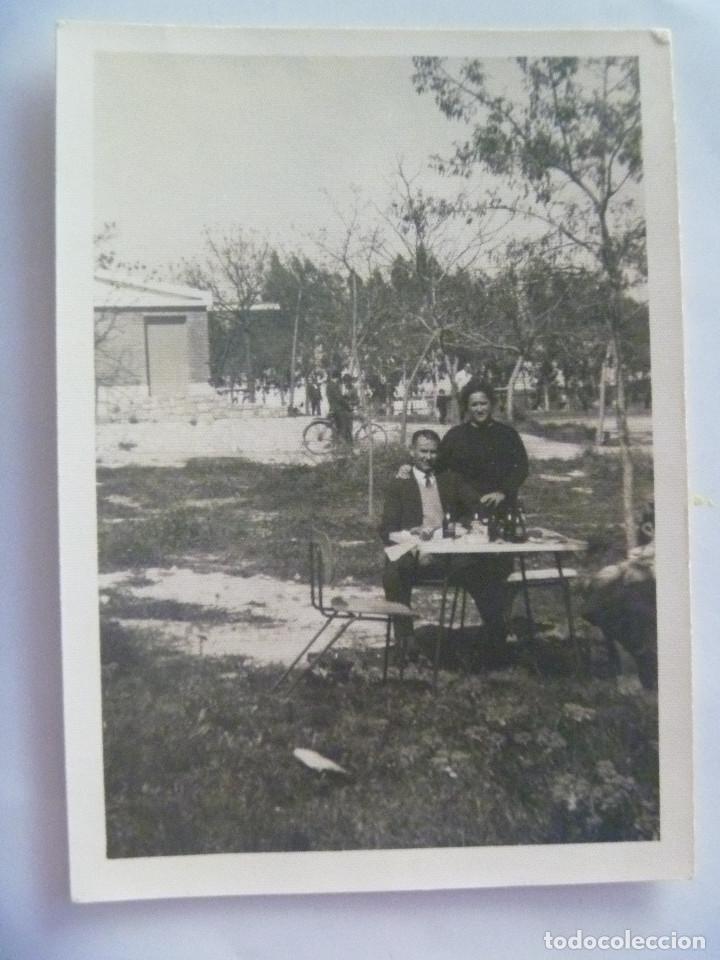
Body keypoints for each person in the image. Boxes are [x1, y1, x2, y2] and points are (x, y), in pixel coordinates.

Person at [397, 378, 529, 653]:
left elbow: (521, 469)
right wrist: (408, 471)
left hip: (499, 512)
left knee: (500, 572)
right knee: (472, 568)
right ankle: (495, 629)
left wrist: (504, 492)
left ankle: (497, 631)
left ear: (492, 404)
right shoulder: (456, 436)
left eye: (483, 403)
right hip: (464, 516)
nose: (479, 409)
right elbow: (434, 464)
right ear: (466, 407)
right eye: (474, 404)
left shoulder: (507, 435)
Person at [380, 430, 487, 653]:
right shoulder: (400, 484)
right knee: (394, 571)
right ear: (412, 452)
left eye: (432, 452)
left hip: (448, 552)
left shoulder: (449, 479)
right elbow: (386, 528)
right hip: (416, 552)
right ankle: (405, 641)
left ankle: (493, 637)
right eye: (423, 451)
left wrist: (462, 526)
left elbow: (477, 507)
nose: (428, 457)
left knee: (484, 567)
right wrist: (410, 534)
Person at [325, 370, 354, 446]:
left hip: (334, 407)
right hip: (337, 409)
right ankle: (342, 441)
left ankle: (341, 441)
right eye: (339, 378)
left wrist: (344, 397)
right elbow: (339, 399)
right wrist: (348, 406)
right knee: (345, 425)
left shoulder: (330, 384)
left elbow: (338, 397)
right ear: (337, 377)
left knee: (340, 425)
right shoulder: (333, 385)